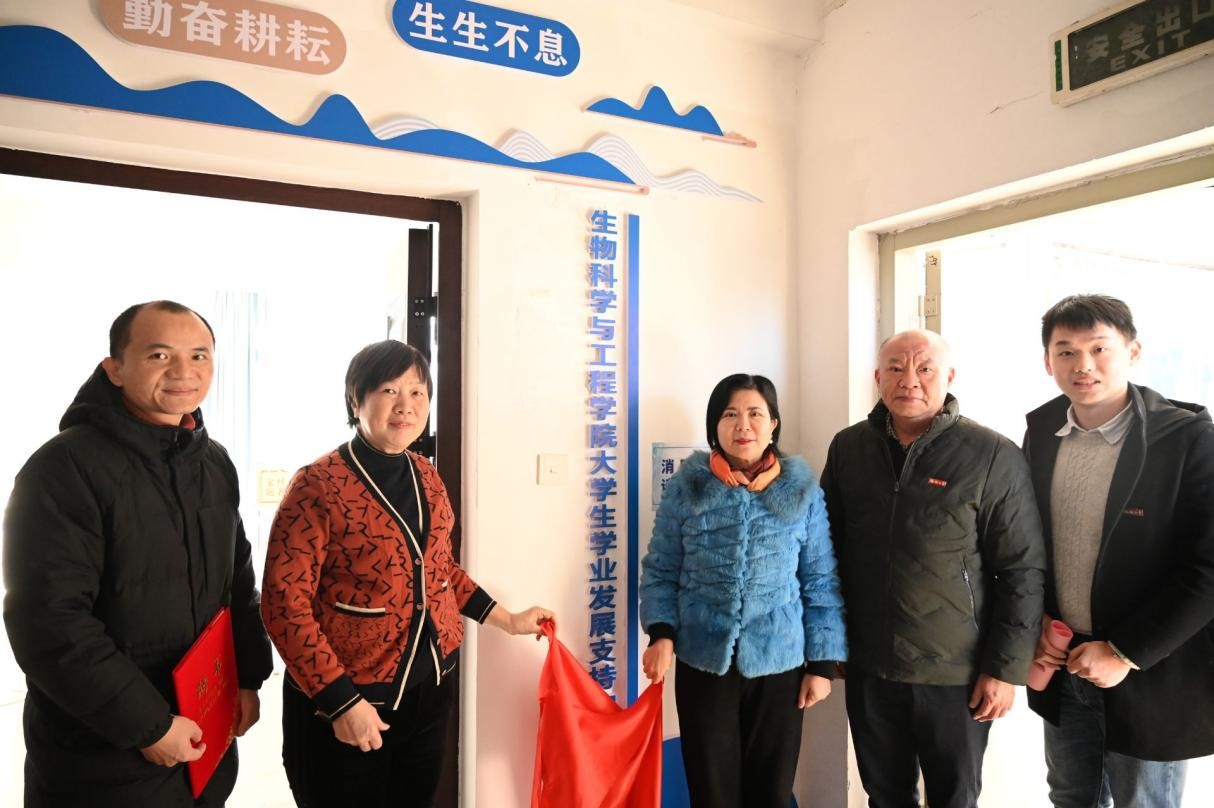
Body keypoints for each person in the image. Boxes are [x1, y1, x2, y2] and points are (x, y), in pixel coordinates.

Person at [260, 339, 553, 808]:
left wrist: (509, 620)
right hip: (348, 700)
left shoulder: (426, 475)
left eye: (417, 392)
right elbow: (283, 604)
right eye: (389, 390)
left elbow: (439, 571)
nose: (406, 405)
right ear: (355, 401)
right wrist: (340, 702)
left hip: (429, 692)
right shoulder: (317, 485)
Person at [3, 300, 272, 807]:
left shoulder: (213, 462)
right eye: (159, 355)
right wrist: (149, 726)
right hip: (102, 761)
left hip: (202, 743)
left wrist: (247, 677)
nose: (183, 372)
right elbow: (49, 621)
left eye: (199, 356)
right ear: (115, 369)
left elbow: (237, 582)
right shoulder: (64, 468)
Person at [821, 329, 1045, 808]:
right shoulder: (848, 448)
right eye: (896, 368)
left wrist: (1004, 669)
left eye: (924, 368)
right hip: (869, 665)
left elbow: (1022, 570)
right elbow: (826, 553)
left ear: (949, 377)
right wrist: (829, 643)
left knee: (954, 798)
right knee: (884, 795)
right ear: (877, 377)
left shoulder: (991, 453)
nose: (910, 380)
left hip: (955, 672)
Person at [1024, 295, 1214, 808]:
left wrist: (1126, 652)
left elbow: (1207, 569)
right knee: (1071, 798)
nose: (1083, 365)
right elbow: (1027, 544)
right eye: (1066, 351)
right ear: (1048, 362)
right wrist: (1036, 620)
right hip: (1064, 663)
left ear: (1133, 351)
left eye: (1099, 348)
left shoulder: (1187, 439)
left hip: (1148, 669)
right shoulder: (1041, 433)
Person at [639, 373, 847, 808]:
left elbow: (820, 580)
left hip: (780, 664)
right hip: (704, 661)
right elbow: (661, 568)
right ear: (715, 425)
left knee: (770, 793)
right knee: (711, 792)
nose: (743, 425)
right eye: (730, 414)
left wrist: (822, 665)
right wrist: (661, 632)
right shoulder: (687, 488)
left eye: (755, 414)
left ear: (773, 424)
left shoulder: (802, 493)